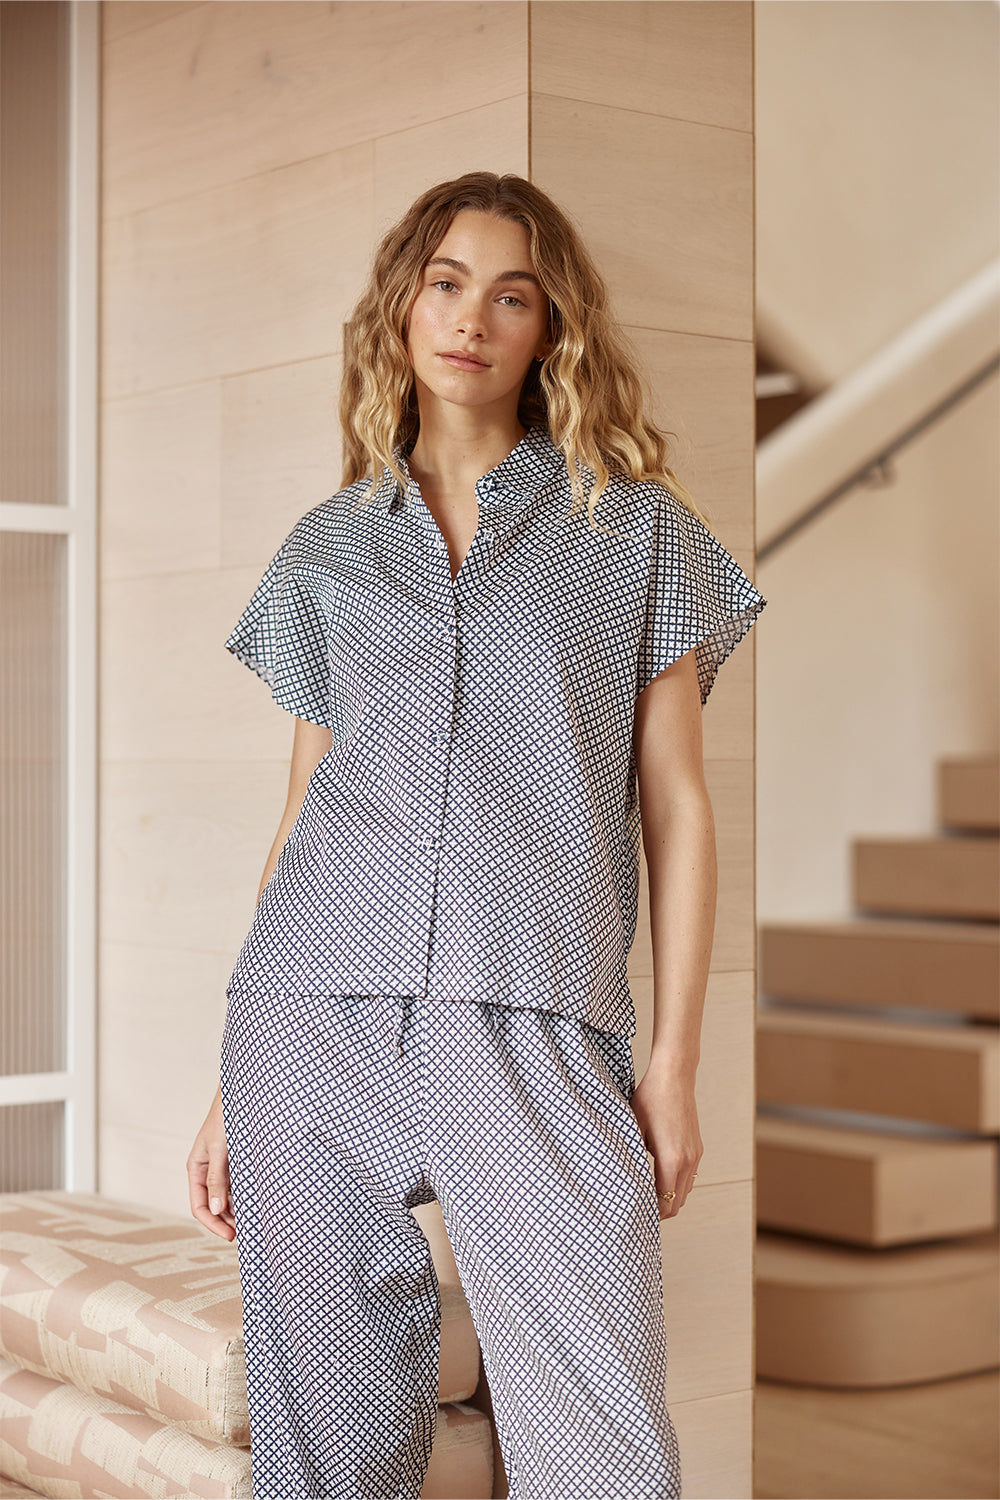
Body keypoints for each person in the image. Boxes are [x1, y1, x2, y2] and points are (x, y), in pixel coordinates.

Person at [187, 171, 766, 1500]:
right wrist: (228, 1073)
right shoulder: (329, 550)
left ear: (551, 328)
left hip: (535, 1019)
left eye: (513, 296)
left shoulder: (636, 531)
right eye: (446, 285)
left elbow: (678, 807)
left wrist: (673, 1063)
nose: (471, 320)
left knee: (603, 1448)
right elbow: (302, 813)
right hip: (310, 1018)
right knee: (325, 1450)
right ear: (401, 309)